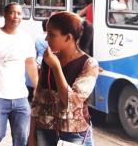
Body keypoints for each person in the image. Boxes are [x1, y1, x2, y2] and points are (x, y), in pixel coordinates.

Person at [29, 12, 99, 146]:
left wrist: (56, 67)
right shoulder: (49, 60)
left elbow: (70, 103)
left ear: (68, 38)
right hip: (44, 129)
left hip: (73, 134)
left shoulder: (89, 64)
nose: (46, 39)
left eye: (51, 35)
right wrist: (31, 134)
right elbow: (38, 101)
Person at [0, 3, 38, 146]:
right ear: (4, 15)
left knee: (22, 138)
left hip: (21, 98)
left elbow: (31, 64)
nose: (15, 16)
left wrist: (37, 86)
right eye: (12, 13)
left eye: (18, 13)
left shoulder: (26, 38)